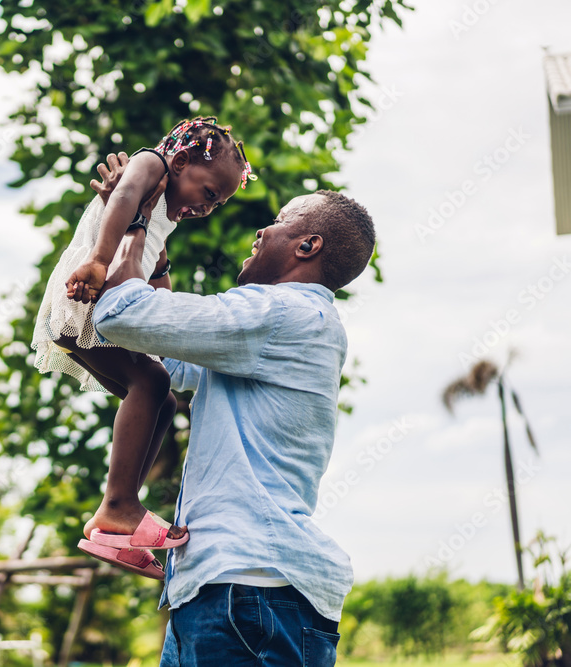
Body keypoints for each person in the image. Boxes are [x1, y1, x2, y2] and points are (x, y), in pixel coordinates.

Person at [88, 154, 375, 666]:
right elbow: (171, 361)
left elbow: (121, 313)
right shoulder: (285, 327)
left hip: (247, 592)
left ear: (307, 246)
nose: (263, 229)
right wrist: (154, 252)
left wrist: (134, 221)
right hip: (229, 591)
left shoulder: (283, 313)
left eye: (281, 220)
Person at [31, 118, 255, 577]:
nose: (209, 208)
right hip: (85, 295)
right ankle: (119, 505)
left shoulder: (165, 212)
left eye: (220, 203)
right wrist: (97, 260)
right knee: (150, 383)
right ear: (181, 160)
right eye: (210, 193)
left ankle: (111, 520)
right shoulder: (149, 164)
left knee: (163, 397)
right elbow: (124, 198)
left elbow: (156, 278)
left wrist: (165, 320)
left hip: (100, 300)